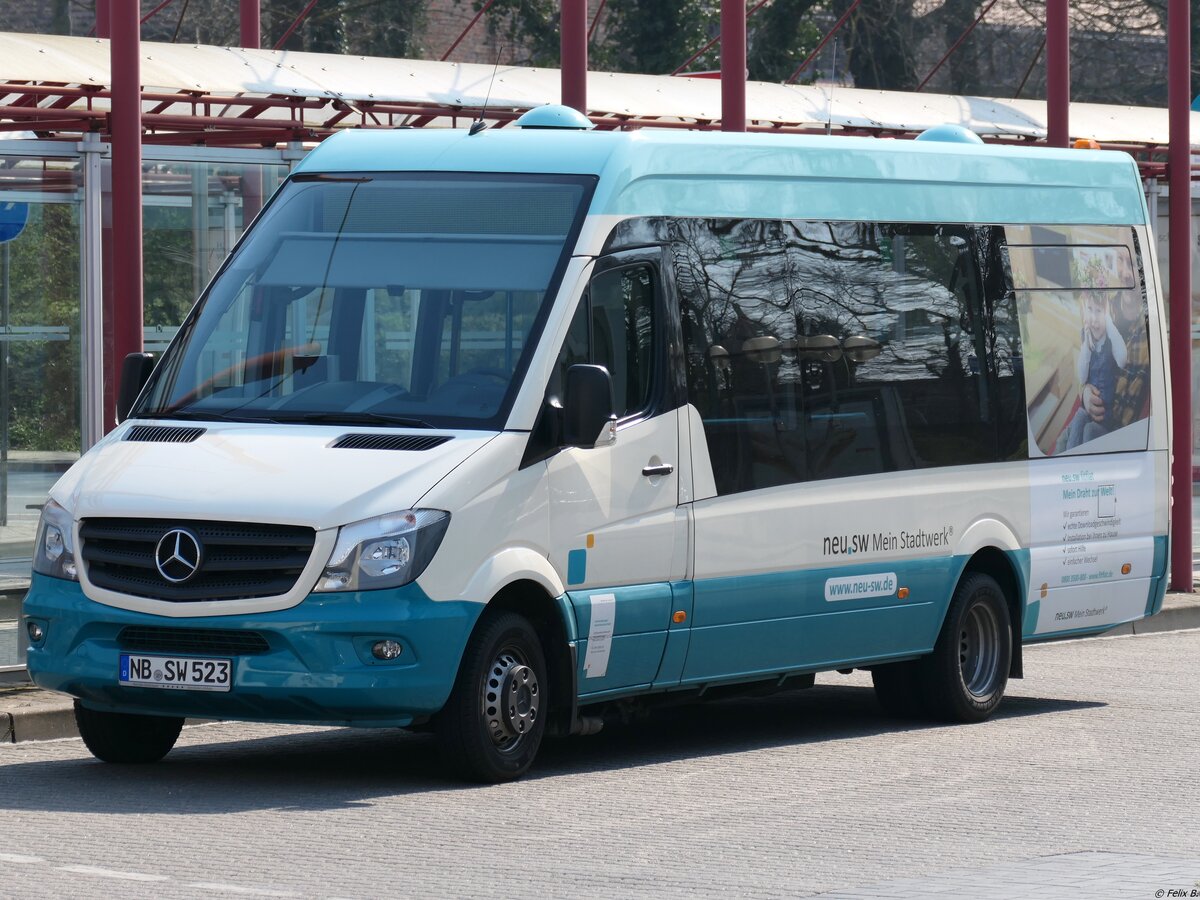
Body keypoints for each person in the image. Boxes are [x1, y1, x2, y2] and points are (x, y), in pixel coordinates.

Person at [1079, 279, 1150, 443]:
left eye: (1131, 263)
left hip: (1115, 428)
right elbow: (1082, 373)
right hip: (1087, 410)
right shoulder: (1101, 303)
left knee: (1089, 432)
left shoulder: (1148, 327)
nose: (1126, 273)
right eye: (1120, 259)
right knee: (1067, 438)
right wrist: (1084, 393)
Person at [1063, 291, 1126, 450]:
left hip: (1105, 417)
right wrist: (1086, 346)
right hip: (1087, 409)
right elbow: (1082, 377)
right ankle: (1069, 462)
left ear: (1107, 313)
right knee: (1079, 417)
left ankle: (1084, 462)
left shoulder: (1112, 339)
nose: (1093, 317)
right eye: (1089, 309)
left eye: (1099, 311)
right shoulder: (1086, 337)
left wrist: (1109, 324)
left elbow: (1122, 360)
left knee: (1089, 430)